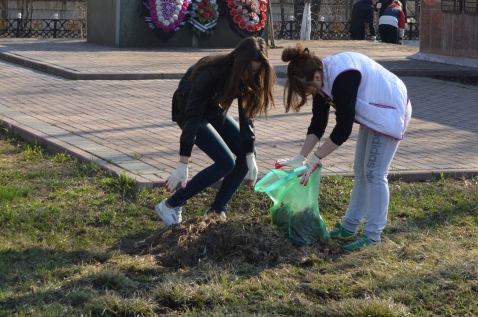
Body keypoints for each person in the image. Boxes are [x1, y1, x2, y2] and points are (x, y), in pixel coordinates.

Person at [276, 45, 412, 251]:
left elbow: (343, 129)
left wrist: (315, 159)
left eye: (307, 89)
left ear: (315, 77)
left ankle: (373, 236)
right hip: (374, 112)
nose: (308, 93)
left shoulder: (343, 77)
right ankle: (349, 227)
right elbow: (318, 123)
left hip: (391, 110)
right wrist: (301, 157)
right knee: (361, 171)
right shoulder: (321, 79)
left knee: (375, 173)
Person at [155, 37, 277, 225]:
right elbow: (193, 116)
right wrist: (183, 163)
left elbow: (246, 115)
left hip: (212, 107)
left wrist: (250, 152)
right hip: (187, 109)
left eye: (255, 71)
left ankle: (216, 210)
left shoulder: (248, 76)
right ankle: (170, 205)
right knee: (226, 162)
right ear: (239, 60)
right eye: (248, 69)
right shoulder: (211, 72)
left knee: (245, 156)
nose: (249, 75)